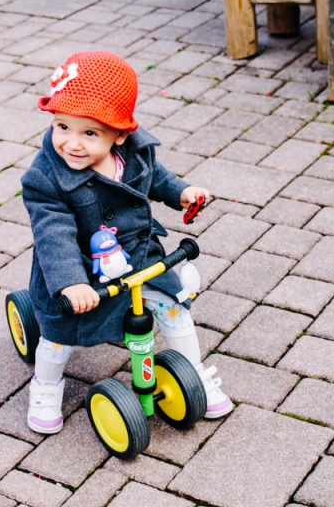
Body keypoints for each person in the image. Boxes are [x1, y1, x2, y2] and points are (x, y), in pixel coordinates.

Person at [20, 50, 233, 434]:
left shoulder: (134, 151)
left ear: (121, 133)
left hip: (138, 256)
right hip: (82, 269)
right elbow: (53, 232)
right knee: (59, 332)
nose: (71, 143)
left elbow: (156, 178)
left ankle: (195, 373)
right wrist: (71, 282)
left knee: (174, 306)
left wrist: (181, 192)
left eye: (89, 133)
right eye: (62, 126)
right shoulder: (45, 177)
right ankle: (46, 384)